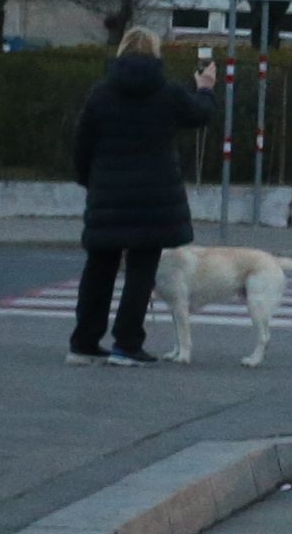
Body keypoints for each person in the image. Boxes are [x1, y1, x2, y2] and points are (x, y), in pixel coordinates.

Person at [68, 27, 219, 364]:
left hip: (108, 196)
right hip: (154, 199)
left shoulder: (101, 94)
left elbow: (82, 144)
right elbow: (199, 115)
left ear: (121, 51)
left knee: (99, 268)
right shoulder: (167, 92)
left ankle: (84, 343)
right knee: (141, 270)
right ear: (156, 53)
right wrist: (206, 89)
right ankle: (127, 344)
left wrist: (90, 182)